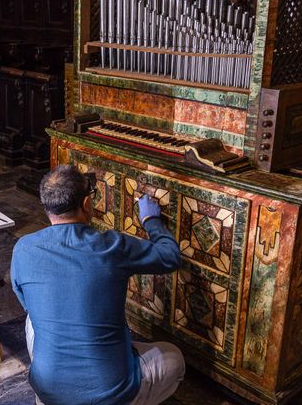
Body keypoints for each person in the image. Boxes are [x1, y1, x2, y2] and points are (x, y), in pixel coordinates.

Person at [11, 165, 185, 405]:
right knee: (174, 358)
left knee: (34, 320)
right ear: (86, 204)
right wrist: (151, 220)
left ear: (47, 207)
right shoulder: (112, 247)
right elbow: (170, 256)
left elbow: (26, 301)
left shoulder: (23, 248)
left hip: (48, 390)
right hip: (110, 393)